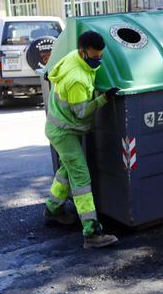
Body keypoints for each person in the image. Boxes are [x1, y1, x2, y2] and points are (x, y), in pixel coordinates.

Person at [43, 31, 121, 248]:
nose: (98, 60)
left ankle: (53, 209)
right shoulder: (77, 78)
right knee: (81, 179)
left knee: (67, 169)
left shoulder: (75, 58)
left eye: (101, 56)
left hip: (60, 127)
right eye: (94, 56)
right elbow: (82, 113)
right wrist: (104, 98)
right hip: (65, 132)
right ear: (83, 52)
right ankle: (91, 233)